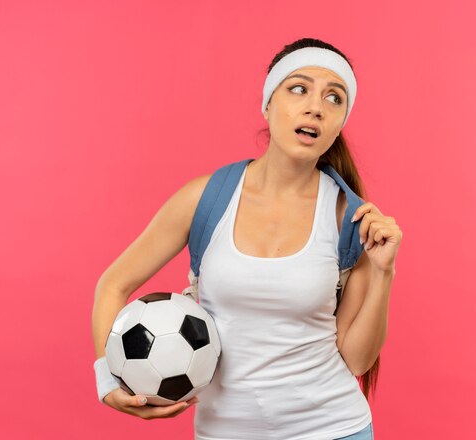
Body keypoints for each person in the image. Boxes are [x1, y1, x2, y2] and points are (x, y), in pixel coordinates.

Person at [92, 37, 402, 440]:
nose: (315, 106)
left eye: (334, 98)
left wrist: (383, 273)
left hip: (334, 428)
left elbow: (357, 360)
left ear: (341, 122)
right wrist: (107, 378)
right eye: (298, 88)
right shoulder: (206, 198)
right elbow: (114, 285)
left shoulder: (349, 216)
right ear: (268, 103)